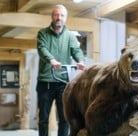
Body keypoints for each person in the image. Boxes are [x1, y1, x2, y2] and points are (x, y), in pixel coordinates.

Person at [36, 4, 85, 136]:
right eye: (56, 15)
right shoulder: (43, 33)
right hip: (45, 82)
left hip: (63, 82)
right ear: (52, 17)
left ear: (65, 18)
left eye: (62, 15)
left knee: (65, 118)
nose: (59, 18)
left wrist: (80, 61)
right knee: (43, 119)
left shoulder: (70, 36)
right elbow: (42, 49)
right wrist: (51, 60)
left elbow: (76, 50)